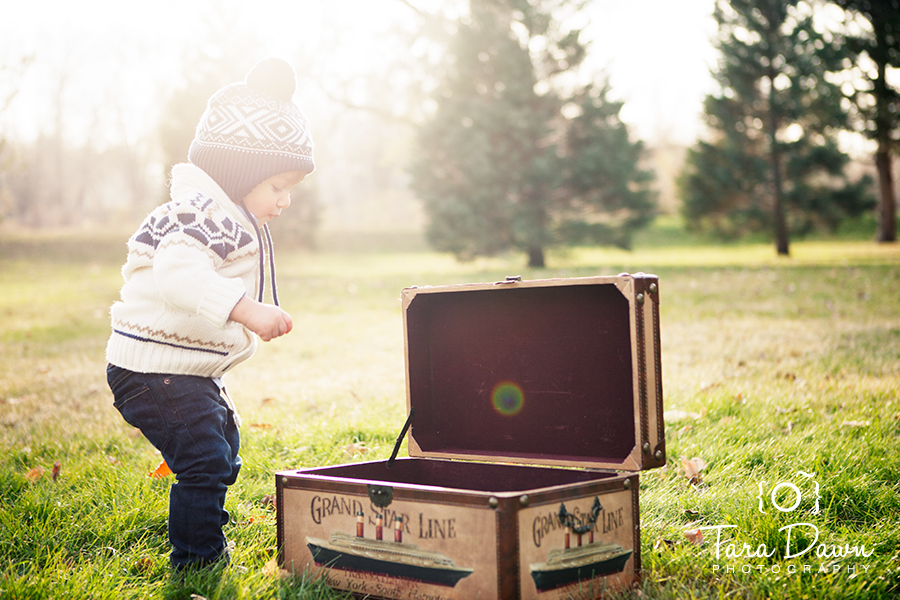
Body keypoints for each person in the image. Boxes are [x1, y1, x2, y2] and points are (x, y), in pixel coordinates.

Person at [105, 57, 314, 571]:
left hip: (186, 371)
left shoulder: (228, 215)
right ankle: (198, 560)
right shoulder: (196, 216)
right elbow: (180, 276)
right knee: (204, 460)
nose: (285, 201)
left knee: (223, 446)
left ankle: (206, 519)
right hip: (154, 370)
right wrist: (244, 310)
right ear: (239, 172)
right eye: (277, 186)